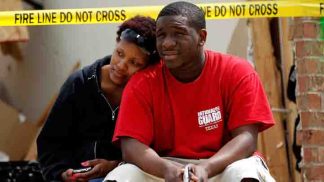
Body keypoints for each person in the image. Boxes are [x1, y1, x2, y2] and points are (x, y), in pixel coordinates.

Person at [104, 1, 275, 182]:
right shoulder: (142, 82)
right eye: (161, 35)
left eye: (179, 33)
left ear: (202, 37)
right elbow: (131, 146)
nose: (167, 43)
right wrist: (167, 170)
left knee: (245, 173)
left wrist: (206, 168)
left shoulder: (237, 71)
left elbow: (246, 139)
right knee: (122, 175)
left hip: (222, 165)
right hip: (163, 168)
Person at [36, 15, 159, 182]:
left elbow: (155, 151)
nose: (121, 65)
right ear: (115, 44)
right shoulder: (79, 83)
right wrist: (61, 173)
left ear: (147, 67)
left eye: (134, 63)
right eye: (119, 53)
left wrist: (115, 166)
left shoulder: (149, 95)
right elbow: (50, 143)